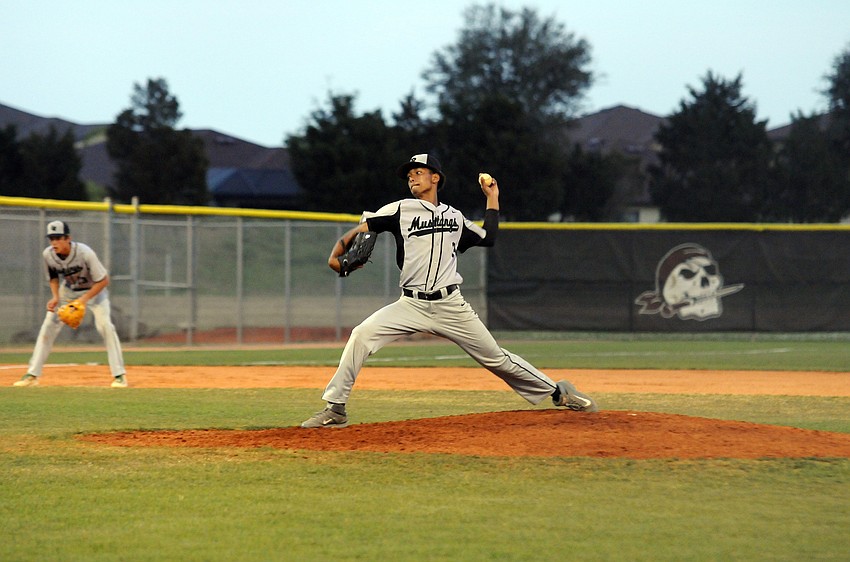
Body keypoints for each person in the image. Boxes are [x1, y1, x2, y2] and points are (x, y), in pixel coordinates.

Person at [300, 153, 596, 428]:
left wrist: (493, 197)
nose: (412, 178)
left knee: (496, 358)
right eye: (409, 175)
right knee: (361, 334)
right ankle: (335, 409)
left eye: (419, 172)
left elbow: (488, 236)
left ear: (435, 178)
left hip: (451, 305)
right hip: (410, 305)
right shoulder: (399, 209)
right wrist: (336, 253)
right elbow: (361, 228)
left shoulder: (454, 217)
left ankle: (560, 392)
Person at [13, 220, 128, 388]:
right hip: (68, 292)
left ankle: (119, 375)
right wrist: (55, 297)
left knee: (105, 326)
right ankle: (32, 375)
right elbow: (53, 277)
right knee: (48, 326)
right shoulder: (48, 255)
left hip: (94, 291)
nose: (54, 242)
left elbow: (104, 281)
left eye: (58, 238)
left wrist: (83, 300)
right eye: (51, 238)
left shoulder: (84, 253)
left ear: (68, 238)